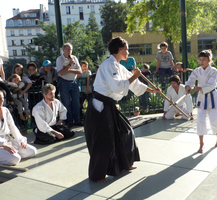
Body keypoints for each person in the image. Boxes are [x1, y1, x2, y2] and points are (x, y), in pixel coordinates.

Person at [84, 37, 160, 182]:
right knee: (104, 141)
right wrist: (135, 76)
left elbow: (133, 84)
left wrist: (152, 90)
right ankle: (97, 175)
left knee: (126, 131)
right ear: (119, 49)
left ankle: (124, 164)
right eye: (126, 49)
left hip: (110, 105)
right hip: (100, 106)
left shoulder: (119, 66)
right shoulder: (108, 65)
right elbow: (118, 86)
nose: (127, 52)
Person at [185, 50, 217, 154]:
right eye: (200, 59)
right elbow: (191, 80)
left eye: (204, 59)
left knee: (214, 122)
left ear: (209, 60)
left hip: (212, 99)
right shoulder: (197, 70)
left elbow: (211, 85)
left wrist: (198, 88)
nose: (201, 61)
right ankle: (201, 144)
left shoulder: (213, 71)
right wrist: (188, 86)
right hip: (201, 98)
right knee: (200, 122)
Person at [0, 89, 37, 166]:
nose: (2, 101)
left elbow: (13, 127)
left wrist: (21, 140)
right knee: (15, 158)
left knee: (32, 151)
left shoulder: (5, 110)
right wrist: (4, 145)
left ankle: (7, 156)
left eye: (3, 98)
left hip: (7, 140)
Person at [56, 43, 82, 127]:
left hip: (74, 82)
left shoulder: (74, 58)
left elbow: (80, 71)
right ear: (63, 50)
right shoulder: (60, 59)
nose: (69, 51)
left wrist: (69, 70)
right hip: (64, 82)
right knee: (66, 103)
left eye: (70, 49)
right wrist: (70, 65)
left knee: (76, 102)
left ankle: (77, 120)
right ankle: (69, 122)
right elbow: (62, 73)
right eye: (68, 49)